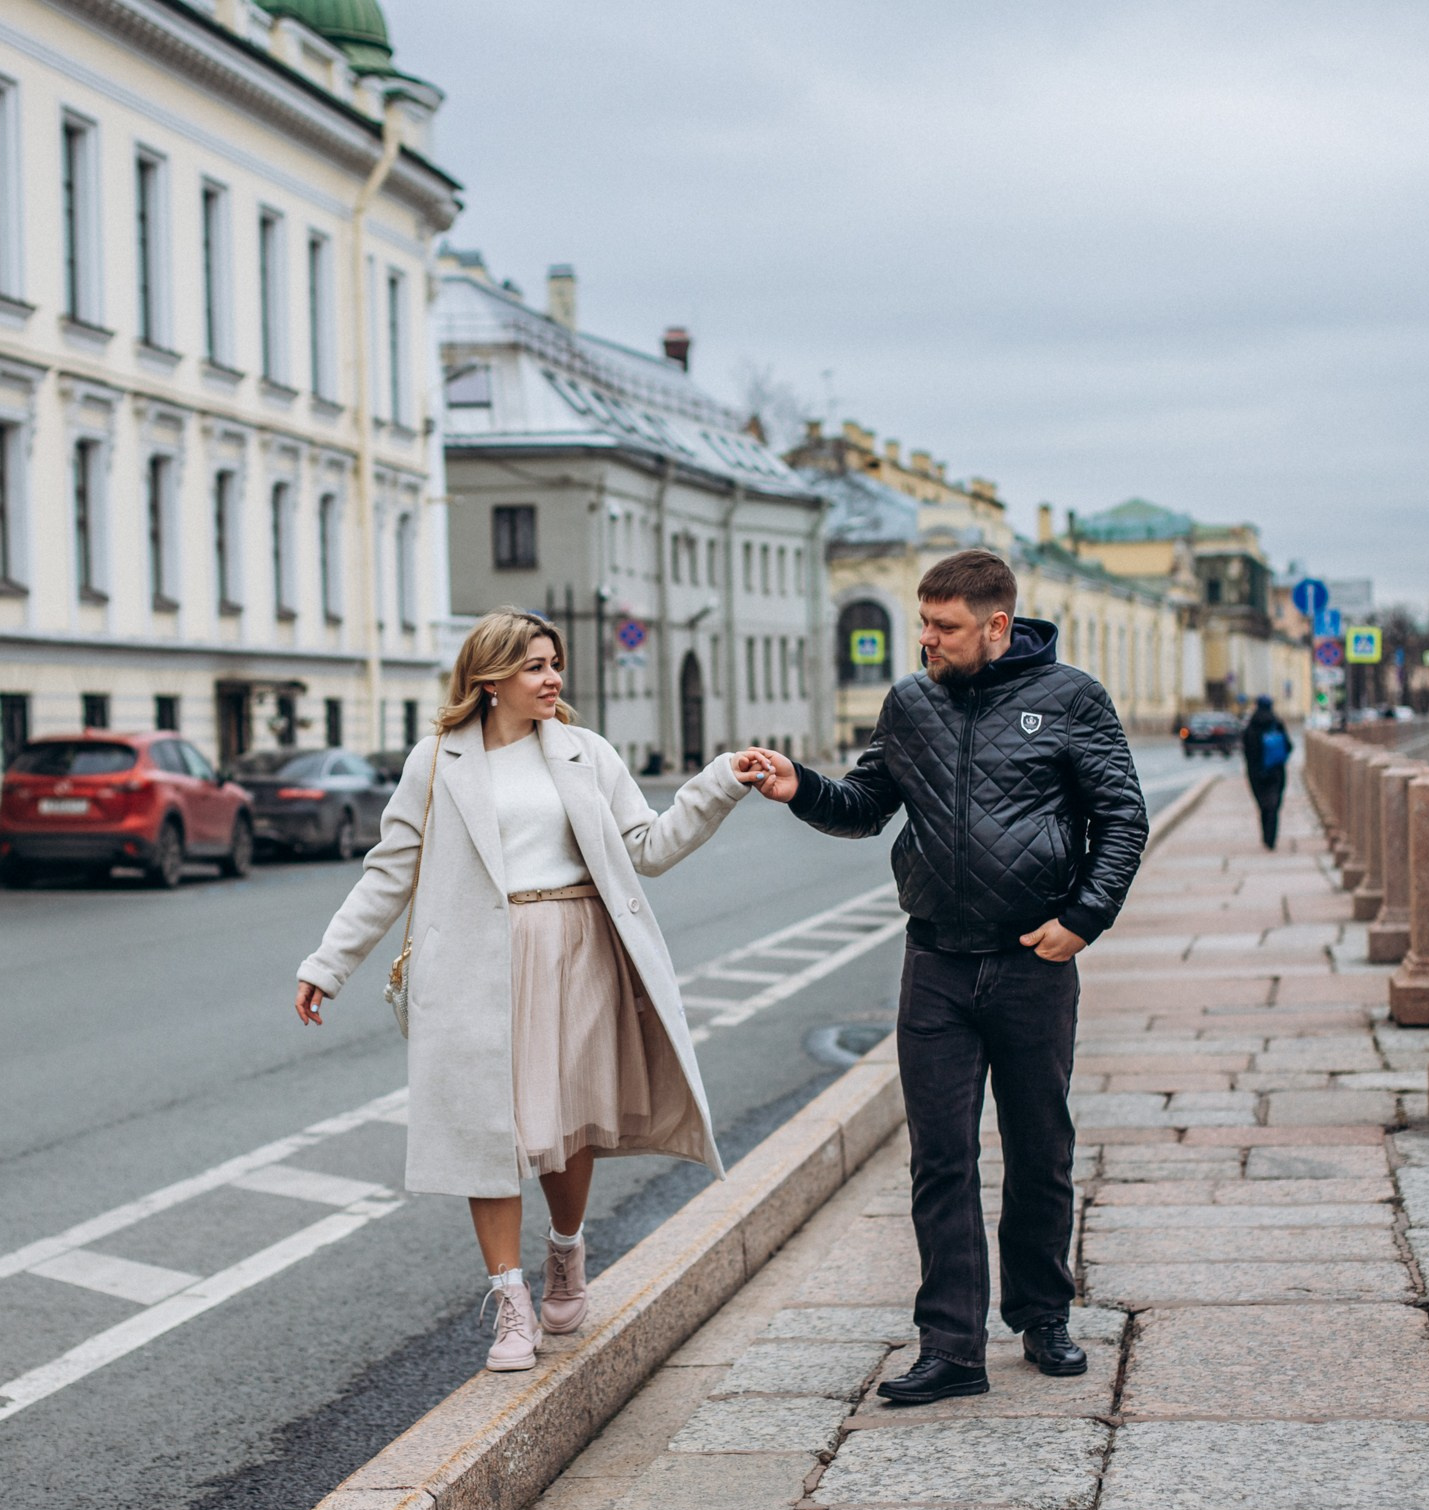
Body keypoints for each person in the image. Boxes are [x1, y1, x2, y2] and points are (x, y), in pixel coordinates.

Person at [294, 608, 757, 1374]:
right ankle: (510, 1303)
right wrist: (327, 963)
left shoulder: (584, 752)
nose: (553, 679)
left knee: (563, 1123)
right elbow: (390, 872)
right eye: (536, 666)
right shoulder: (437, 761)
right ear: (491, 677)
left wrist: (718, 785)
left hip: (577, 950)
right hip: (481, 960)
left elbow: (650, 847)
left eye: (555, 663)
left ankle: (566, 1251)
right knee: (492, 1130)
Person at [731, 550, 1147, 1404]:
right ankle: (950, 1346)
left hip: (1033, 959)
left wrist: (1081, 922)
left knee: (1040, 1148)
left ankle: (1043, 1317)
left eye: (944, 626)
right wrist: (796, 786)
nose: (926, 639)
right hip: (936, 965)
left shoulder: (1071, 699)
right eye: (923, 621)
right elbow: (864, 806)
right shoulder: (911, 704)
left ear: (996, 625)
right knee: (941, 1159)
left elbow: (1122, 817)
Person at [1241, 694, 1292, 850]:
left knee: (1262, 804)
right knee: (1274, 805)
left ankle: (1265, 836)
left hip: (1256, 772)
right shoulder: (1276, 723)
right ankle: (1271, 838)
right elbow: (1289, 746)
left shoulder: (1250, 725)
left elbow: (1246, 749)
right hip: (1276, 770)